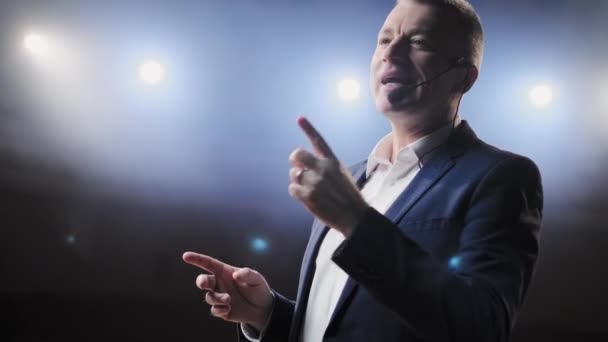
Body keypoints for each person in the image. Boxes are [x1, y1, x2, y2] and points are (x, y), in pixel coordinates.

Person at [182, 0, 544, 341]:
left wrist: (356, 220)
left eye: (417, 41)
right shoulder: (351, 180)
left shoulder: (500, 177)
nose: (391, 51)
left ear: (463, 77)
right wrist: (268, 314)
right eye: (385, 39)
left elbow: (483, 327)